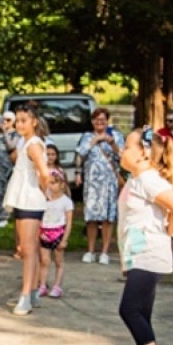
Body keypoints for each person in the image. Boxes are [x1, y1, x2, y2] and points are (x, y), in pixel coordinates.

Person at [113, 126, 173, 345]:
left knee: (129, 310)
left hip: (149, 255)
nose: (122, 151)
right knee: (141, 313)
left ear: (143, 152)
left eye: (127, 146)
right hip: (138, 256)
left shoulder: (149, 180)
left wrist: (170, 230)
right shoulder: (137, 179)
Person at [3, 106, 52, 316]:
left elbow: (44, 172)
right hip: (23, 199)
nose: (20, 124)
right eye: (18, 121)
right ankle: (31, 291)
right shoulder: (24, 143)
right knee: (25, 247)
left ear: (33, 122)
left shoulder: (33, 144)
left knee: (29, 248)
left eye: (24, 120)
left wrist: (42, 191)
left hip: (30, 200)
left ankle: (26, 295)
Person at [76, 108, 123, 264]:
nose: (99, 123)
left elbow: (123, 156)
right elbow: (81, 153)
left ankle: (105, 252)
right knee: (91, 217)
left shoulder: (116, 135)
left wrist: (112, 144)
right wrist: (93, 142)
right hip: (92, 182)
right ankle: (90, 250)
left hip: (109, 181)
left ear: (107, 121)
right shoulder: (86, 136)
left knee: (108, 218)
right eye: (96, 120)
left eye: (102, 120)